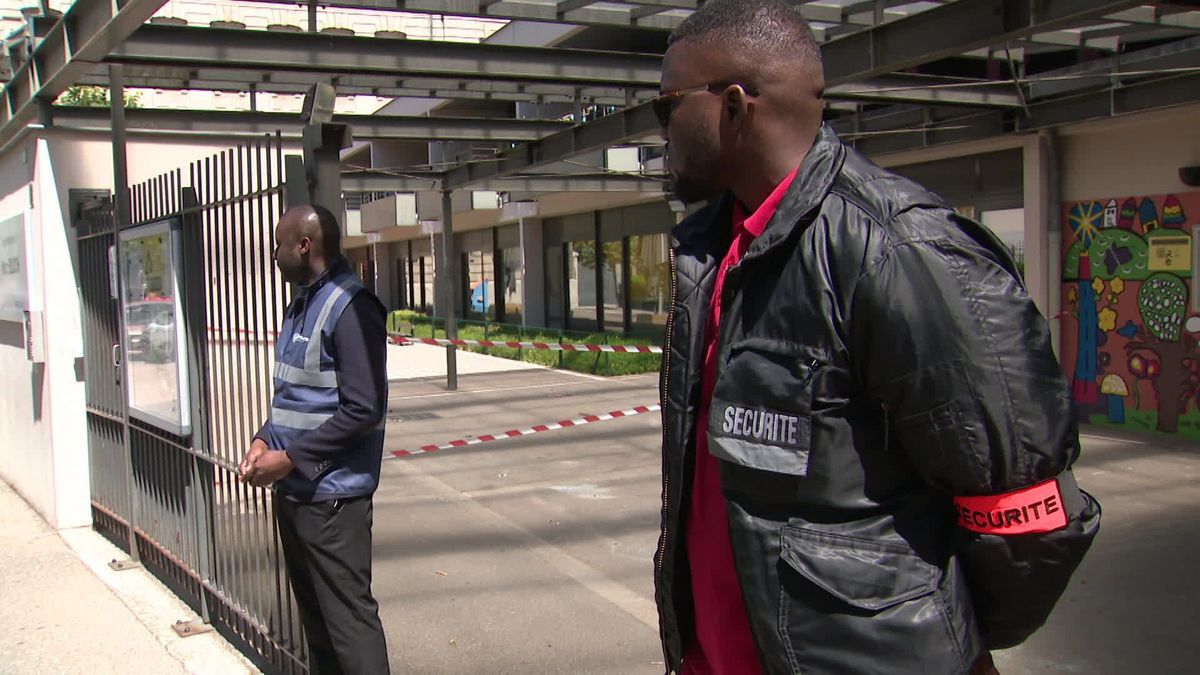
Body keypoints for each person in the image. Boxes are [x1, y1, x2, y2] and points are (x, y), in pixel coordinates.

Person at [651, 1, 1101, 673]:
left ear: (735, 106)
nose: (661, 131)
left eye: (667, 107)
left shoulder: (898, 249)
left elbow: (1027, 512)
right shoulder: (713, 251)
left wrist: (923, 637)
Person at [239, 204, 390, 674]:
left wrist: (290, 459)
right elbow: (294, 395)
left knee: (349, 626)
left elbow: (363, 408)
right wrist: (264, 440)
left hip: (333, 502)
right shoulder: (302, 303)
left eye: (279, 245)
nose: (274, 255)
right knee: (319, 627)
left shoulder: (350, 306)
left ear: (304, 245)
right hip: (298, 493)